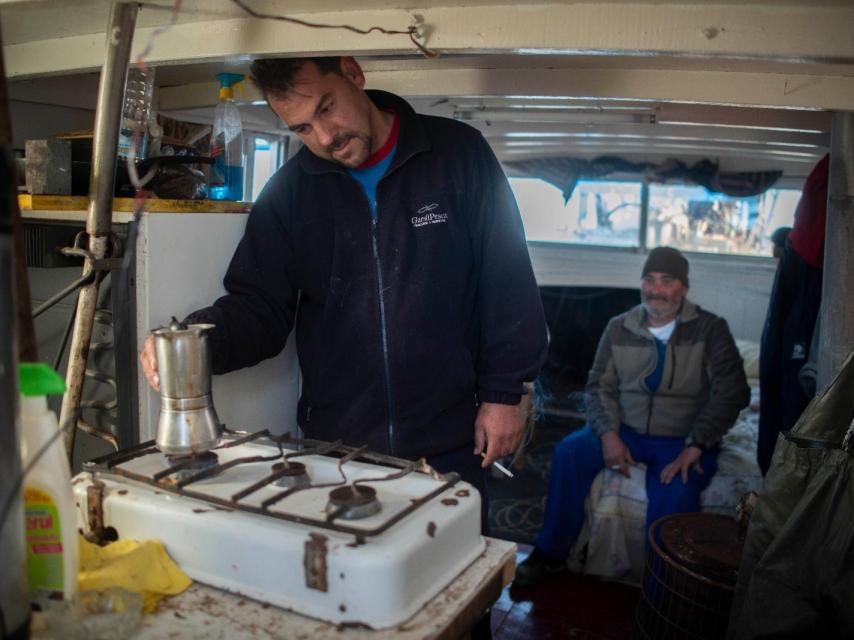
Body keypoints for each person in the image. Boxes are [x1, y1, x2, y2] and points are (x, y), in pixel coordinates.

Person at [139, 56, 549, 518]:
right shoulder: (290, 192)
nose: (325, 137)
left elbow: (506, 278)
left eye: (327, 108)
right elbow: (259, 307)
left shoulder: (457, 153)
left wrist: (503, 395)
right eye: (302, 130)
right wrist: (192, 341)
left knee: (455, 578)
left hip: (452, 438)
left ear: (354, 75)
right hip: (337, 449)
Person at [514, 246, 750, 588]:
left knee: (677, 489)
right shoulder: (619, 327)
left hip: (681, 438)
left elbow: (733, 392)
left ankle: (662, 586)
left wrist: (698, 444)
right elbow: (598, 388)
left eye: (667, 281)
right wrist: (609, 435)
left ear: (683, 287)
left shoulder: (709, 330)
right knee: (569, 452)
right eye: (649, 280)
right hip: (624, 429)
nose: (656, 289)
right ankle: (550, 553)